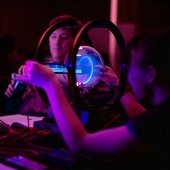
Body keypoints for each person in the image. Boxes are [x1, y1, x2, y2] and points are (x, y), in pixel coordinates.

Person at [11, 28, 170, 168]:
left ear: (151, 74)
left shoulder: (161, 120)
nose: (127, 74)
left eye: (131, 66)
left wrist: (50, 83)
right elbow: (141, 118)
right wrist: (119, 87)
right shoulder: (160, 116)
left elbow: (81, 143)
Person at [5, 15, 82, 115]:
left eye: (64, 37)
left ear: (75, 41)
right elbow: (11, 108)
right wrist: (17, 92)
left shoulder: (81, 75)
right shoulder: (37, 68)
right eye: (53, 36)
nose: (57, 42)